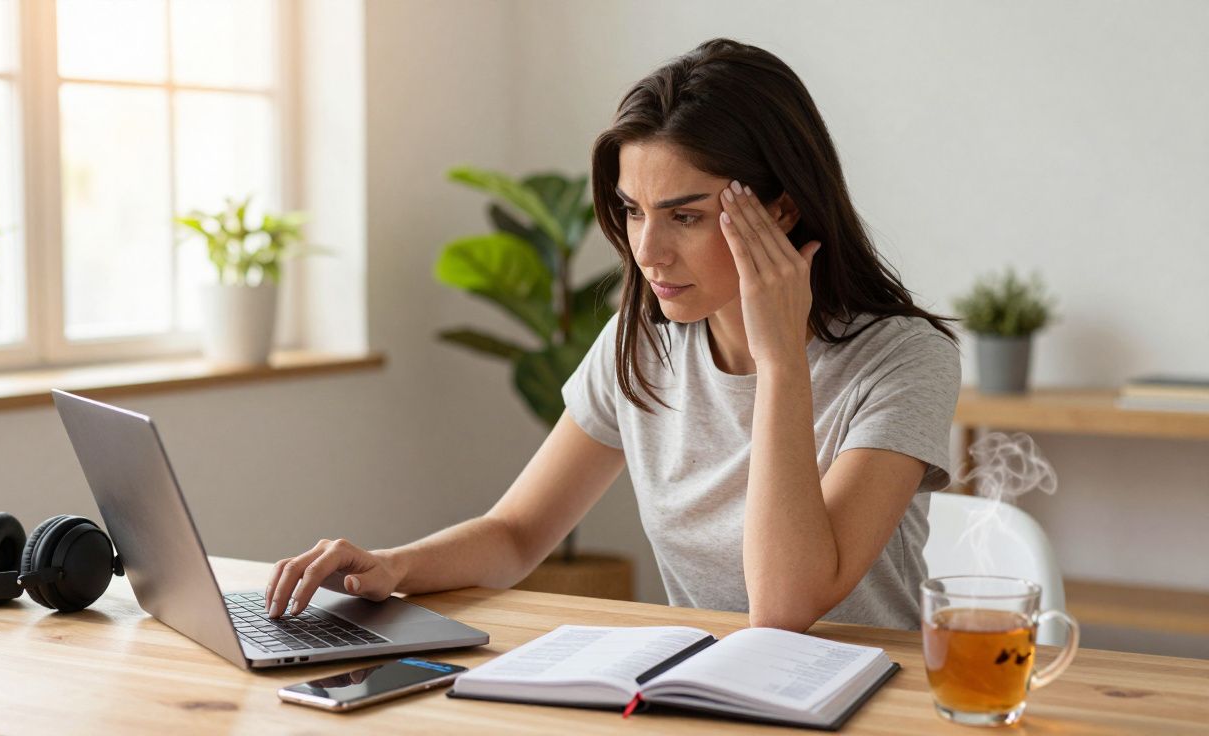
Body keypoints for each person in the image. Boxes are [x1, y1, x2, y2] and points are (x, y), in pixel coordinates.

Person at [265, 37, 962, 632]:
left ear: (780, 210)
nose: (647, 252)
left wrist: (780, 363)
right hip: (709, 697)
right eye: (633, 211)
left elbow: (784, 607)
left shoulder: (903, 361)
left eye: (685, 217)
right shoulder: (645, 344)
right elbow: (515, 536)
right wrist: (391, 566)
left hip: (870, 702)